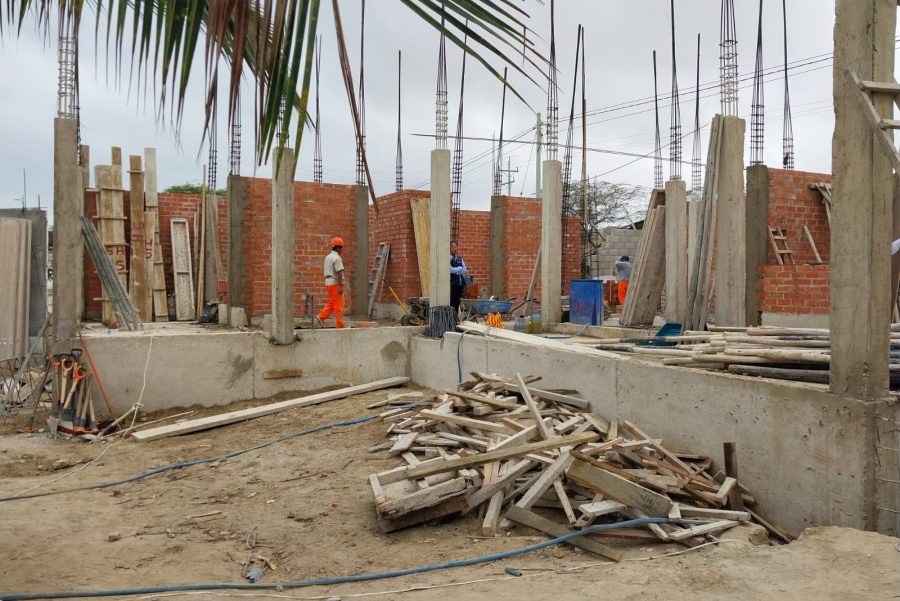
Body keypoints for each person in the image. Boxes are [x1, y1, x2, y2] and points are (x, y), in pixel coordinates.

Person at [317, 237, 346, 329]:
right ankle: (340, 326)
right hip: (335, 283)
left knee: (333, 302)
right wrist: (341, 286)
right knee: (338, 305)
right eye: (341, 248)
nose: (342, 250)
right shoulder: (337, 258)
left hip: (328, 283)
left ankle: (321, 316)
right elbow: (339, 273)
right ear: (337, 248)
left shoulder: (328, 257)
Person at [450, 241, 468, 312]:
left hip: (460, 284)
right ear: (449, 248)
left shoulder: (459, 258)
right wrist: (459, 269)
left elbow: (464, 269)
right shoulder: (448, 258)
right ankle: (452, 320)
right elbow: (450, 270)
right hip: (453, 284)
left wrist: (457, 270)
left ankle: (456, 319)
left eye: (456, 247)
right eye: (453, 247)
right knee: (452, 303)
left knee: (457, 303)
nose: (455, 249)